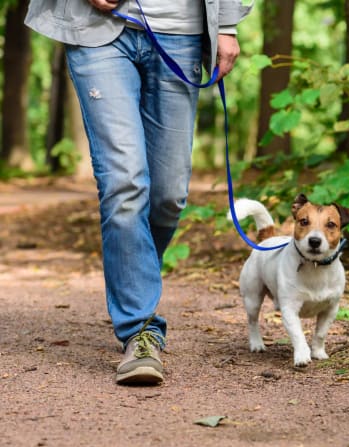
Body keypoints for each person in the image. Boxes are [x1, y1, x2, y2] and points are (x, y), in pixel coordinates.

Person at [25, 0, 253, 385]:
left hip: (179, 31)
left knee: (168, 196)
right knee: (124, 183)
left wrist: (227, 24)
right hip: (97, 29)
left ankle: (135, 276)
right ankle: (140, 330)